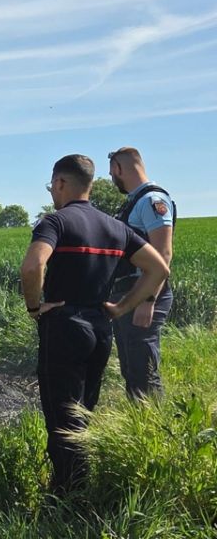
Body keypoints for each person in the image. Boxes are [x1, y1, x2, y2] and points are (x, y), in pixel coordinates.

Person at [20, 154, 169, 497]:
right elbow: (159, 269)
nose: (52, 192)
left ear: (60, 182)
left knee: (61, 415)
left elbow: (32, 267)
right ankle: (83, 484)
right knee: (84, 409)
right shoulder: (116, 227)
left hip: (63, 326)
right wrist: (122, 307)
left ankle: (67, 495)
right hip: (100, 328)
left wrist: (34, 307)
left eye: (51, 186)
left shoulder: (55, 222)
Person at [108, 147, 175, 399]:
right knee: (131, 368)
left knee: (143, 372)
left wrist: (149, 300)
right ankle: (138, 418)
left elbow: (163, 253)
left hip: (143, 292)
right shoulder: (135, 201)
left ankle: (153, 420)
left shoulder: (152, 200)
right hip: (129, 293)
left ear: (118, 168)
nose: (112, 179)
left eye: (112, 174)